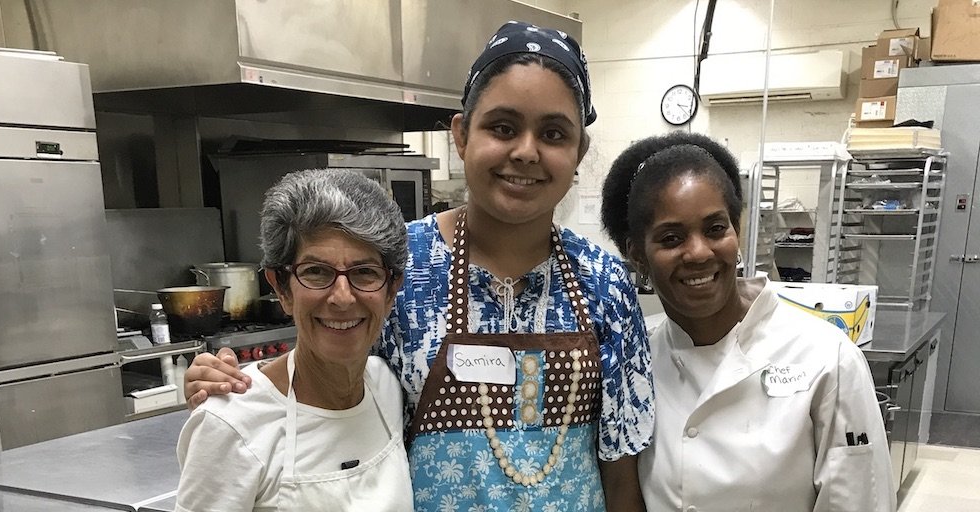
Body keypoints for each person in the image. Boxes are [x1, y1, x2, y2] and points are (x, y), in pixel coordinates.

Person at [184, 21, 655, 511]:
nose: (525, 151)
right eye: (502, 127)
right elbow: (329, 379)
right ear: (461, 134)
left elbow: (621, 477)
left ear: (578, 151)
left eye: (554, 133)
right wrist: (235, 386)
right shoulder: (395, 264)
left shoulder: (605, 284)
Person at [600, 131, 896, 511]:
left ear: (736, 231)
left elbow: (860, 501)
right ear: (636, 254)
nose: (698, 252)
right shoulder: (635, 362)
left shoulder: (827, 358)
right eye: (671, 238)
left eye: (715, 229)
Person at [175, 169, 413, 511]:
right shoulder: (231, 424)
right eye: (316, 271)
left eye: (365, 272)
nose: (342, 297)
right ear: (282, 288)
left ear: (391, 290)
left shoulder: (386, 387)